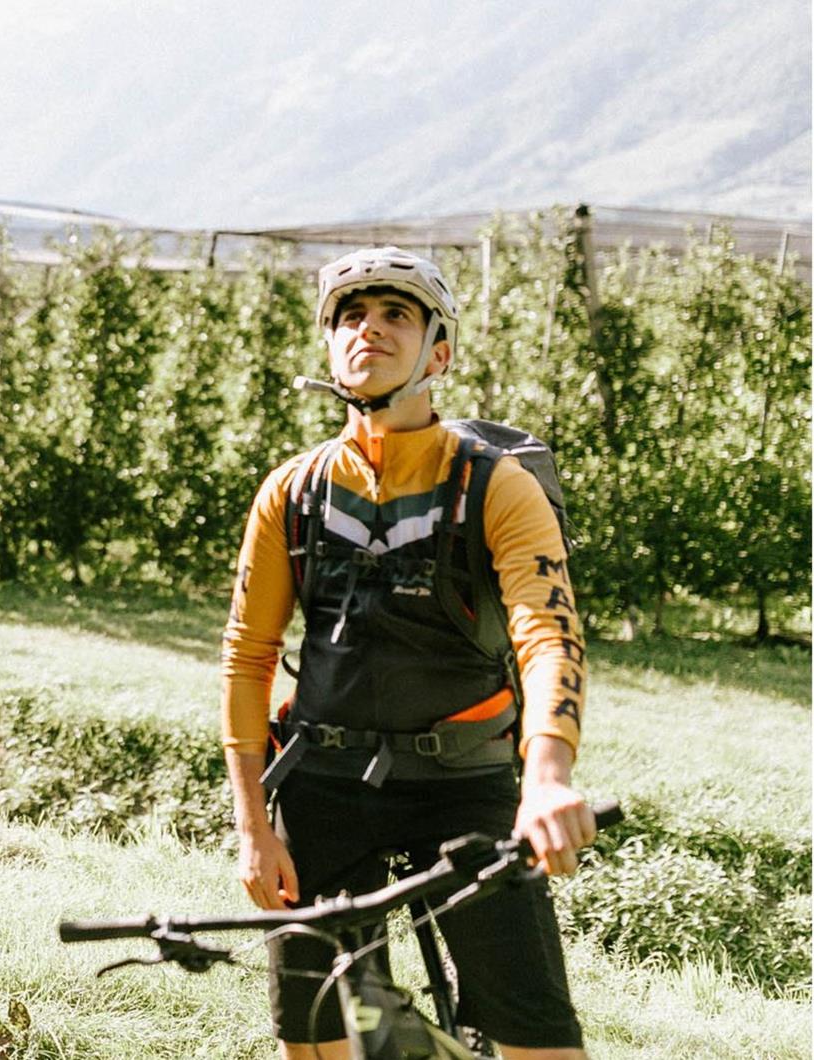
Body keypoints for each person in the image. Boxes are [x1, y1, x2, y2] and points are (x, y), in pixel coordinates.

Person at [220, 247, 596, 1059]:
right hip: (322, 781)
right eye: (350, 316)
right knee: (318, 1032)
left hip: (464, 785)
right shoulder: (291, 491)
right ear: (329, 348)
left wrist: (546, 780)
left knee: (535, 1032)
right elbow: (247, 658)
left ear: (440, 353)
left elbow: (547, 633)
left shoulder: (494, 485)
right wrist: (252, 823)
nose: (369, 330)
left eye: (396, 314)